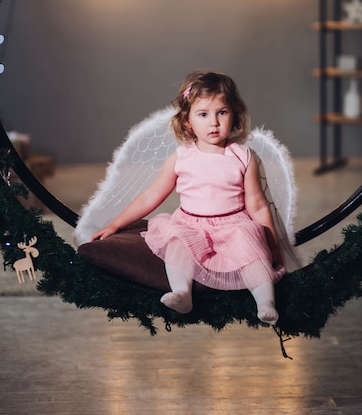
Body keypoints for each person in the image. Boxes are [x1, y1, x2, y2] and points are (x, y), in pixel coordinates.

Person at [91, 70, 285, 325]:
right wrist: (116, 223)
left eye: (222, 112)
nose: (213, 122)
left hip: (232, 224)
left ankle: (265, 302)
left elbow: (258, 206)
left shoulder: (242, 156)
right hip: (191, 225)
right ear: (187, 122)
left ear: (234, 114)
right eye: (203, 114)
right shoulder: (182, 157)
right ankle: (182, 293)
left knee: (251, 248)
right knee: (176, 243)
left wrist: (271, 245)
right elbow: (151, 195)